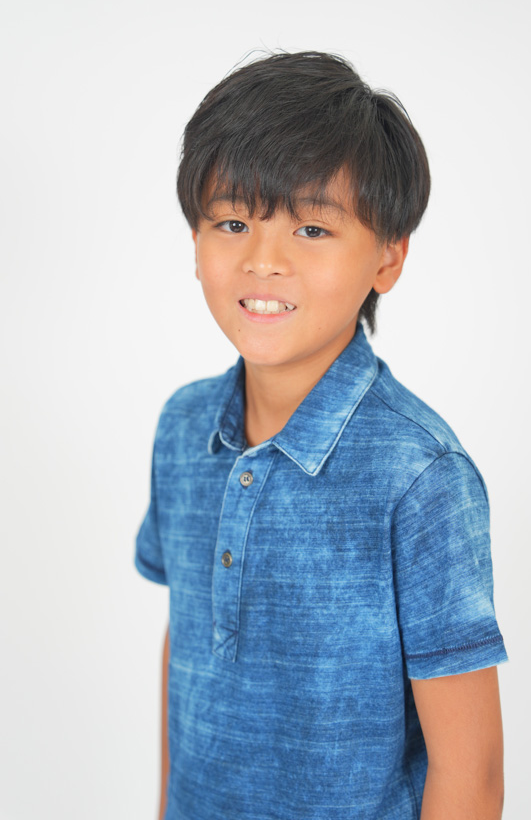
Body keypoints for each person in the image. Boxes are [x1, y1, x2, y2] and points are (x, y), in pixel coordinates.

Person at [134, 50, 508, 820]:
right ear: (195, 239)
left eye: (311, 227)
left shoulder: (420, 475)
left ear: (388, 256)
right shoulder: (182, 429)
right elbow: (188, 646)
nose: (263, 261)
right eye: (233, 222)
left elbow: (470, 775)